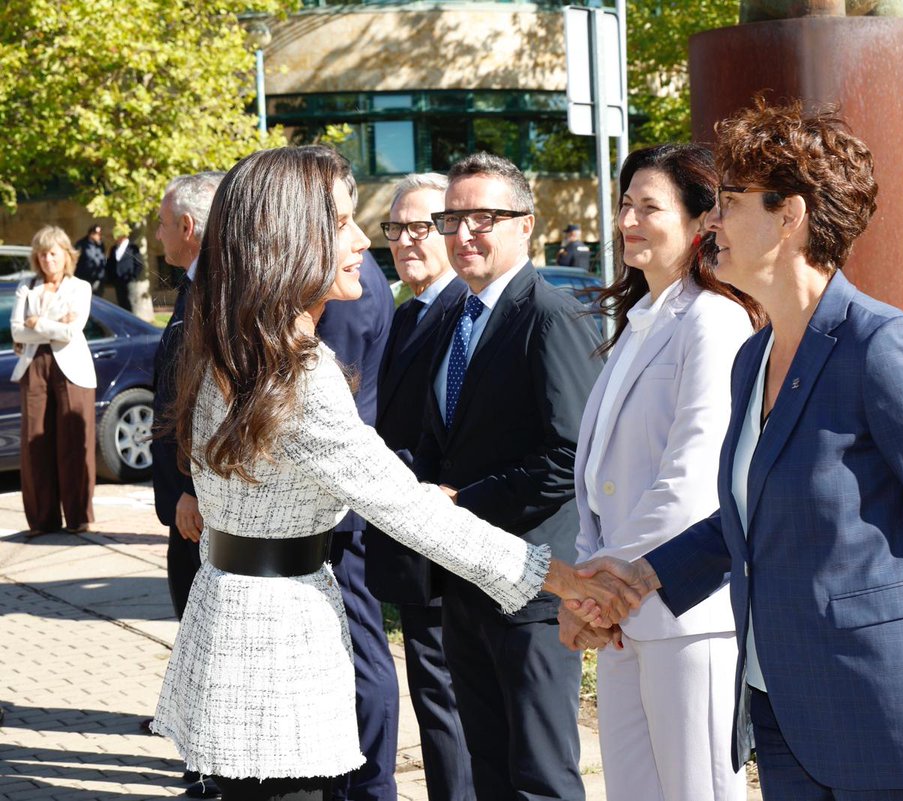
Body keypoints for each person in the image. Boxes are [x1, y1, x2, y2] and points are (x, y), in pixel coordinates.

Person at [150, 145, 635, 801]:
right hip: (278, 644)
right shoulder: (296, 372)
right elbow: (408, 508)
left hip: (238, 618)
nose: (359, 241)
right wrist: (559, 577)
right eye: (344, 221)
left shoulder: (233, 346)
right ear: (291, 237)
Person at [575, 99, 903, 800]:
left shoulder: (882, 347)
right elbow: (743, 520)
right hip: (783, 712)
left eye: (731, 201)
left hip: (885, 716)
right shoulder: (756, 355)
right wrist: (634, 580)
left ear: (790, 214)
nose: (712, 221)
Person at [559, 144, 762, 801]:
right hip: (623, 615)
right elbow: (596, 478)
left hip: (685, 612)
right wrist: (594, 580)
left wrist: (598, 585)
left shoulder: (715, 321)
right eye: (624, 205)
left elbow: (691, 478)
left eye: (650, 207)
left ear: (702, 222)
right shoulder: (639, 321)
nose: (628, 221)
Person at [412, 153, 603, 801]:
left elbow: (566, 456)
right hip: (467, 584)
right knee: (486, 770)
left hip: (533, 589)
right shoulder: (449, 319)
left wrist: (459, 504)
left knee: (541, 777)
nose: (464, 233)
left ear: (526, 225)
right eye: (452, 218)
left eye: (483, 217)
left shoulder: (550, 316)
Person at [365, 172, 473, 801]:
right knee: (432, 691)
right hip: (409, 535)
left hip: (447, 528)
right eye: (395, 229)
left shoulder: (465, 311)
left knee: (448, 697)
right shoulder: (407, 314)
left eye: (421, 227)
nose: (405, 241)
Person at [316, 248, 402, 801]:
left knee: (363, 649)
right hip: (338, 495)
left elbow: (336, 405)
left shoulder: (347, 285)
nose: (362, 239)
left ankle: (369, 785)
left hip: (344, 502)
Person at [150, 170, 225, 799]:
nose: (155, 231)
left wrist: (191, 487)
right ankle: (200, 767)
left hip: (201, 507)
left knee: (210, 648)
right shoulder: (191, 288)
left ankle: (210, 772)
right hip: (183, 503)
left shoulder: (220, 294)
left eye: (161, 219)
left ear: (188, 227)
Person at [10, 226, 98, 536]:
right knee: (35, 443)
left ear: (65, 255)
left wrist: (38, 323)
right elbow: (17, 332)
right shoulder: (27, 287)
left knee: (73, 443)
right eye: (41, 254)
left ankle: (78, 517)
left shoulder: (80, 287)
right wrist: (53, 325)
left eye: (53, 253)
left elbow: (72, 332)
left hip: (72, 368)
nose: (47, 259)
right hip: (34, 365)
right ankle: (42, 520)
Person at [106, 232, 143, 311]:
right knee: (121, 302)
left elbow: (139, 264)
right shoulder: (114, 248)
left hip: (129, 280)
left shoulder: (133, 247)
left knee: (130, 302)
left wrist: (133, 276)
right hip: (118, 280)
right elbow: (110, 264)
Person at [74, 224, 106, 293]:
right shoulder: (81, 244)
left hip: (97, 277)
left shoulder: (100, 244)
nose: (99, 236)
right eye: (96, 234)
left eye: (100, 234)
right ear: (91, 234)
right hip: (84, 277)